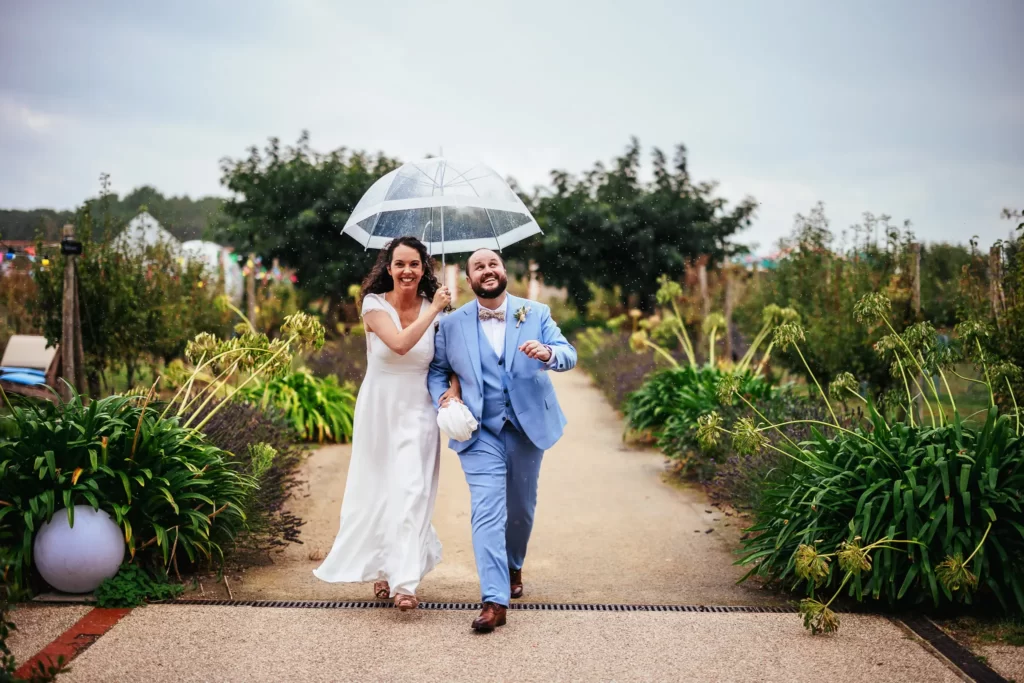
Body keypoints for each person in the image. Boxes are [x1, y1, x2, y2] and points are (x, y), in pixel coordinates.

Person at [427, 248, 577, 632]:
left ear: (504, 271)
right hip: (480, 431)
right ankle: (494, 600)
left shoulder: (536, 313)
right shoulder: (451, 323)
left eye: (493, 263)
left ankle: (513, 564)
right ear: (469, 279)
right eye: (479, 266)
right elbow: (437, 371)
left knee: (521, 510)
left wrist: (548, 353)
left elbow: (568, 352)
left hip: (528, 427)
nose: (487, 270)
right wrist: (445, 396)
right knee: (487, 509)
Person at [313, 236, 456, 611]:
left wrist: (453, 390)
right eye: (400, 264)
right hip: (379, 408)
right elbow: (400, 344)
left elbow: (451, 362)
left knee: (412, 490)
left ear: (424, 268)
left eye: (414, 264)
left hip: (419, 409)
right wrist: (435, 310)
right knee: (378, 490)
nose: (407, 271)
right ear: (388, 269)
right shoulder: (373, 305)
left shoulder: (438, 311)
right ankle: (382, 566)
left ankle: (405, 583)